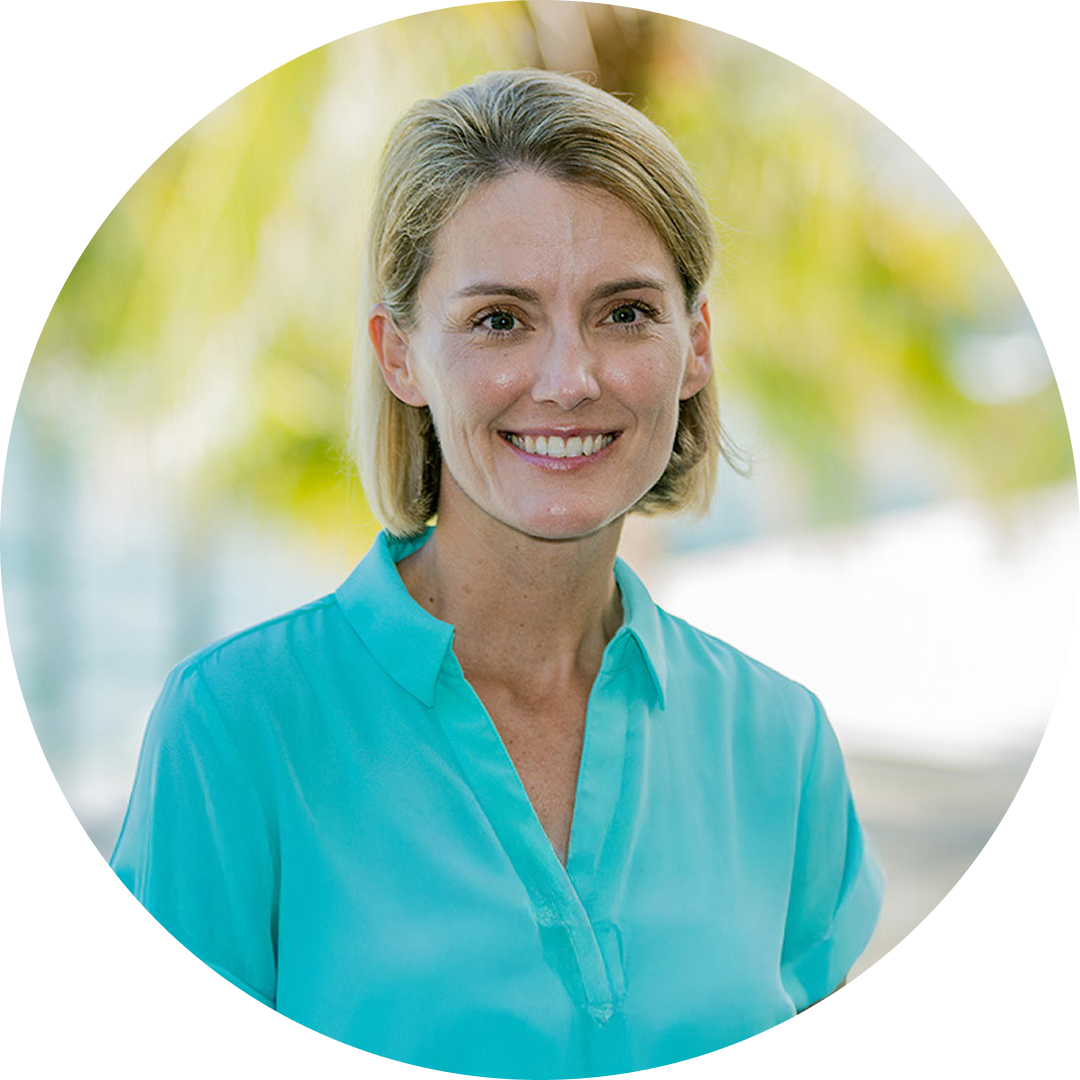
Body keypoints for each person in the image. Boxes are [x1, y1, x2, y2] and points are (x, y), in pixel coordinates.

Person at [110, 68, 884, 1073]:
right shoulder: (233, 732)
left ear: (694, 347)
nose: (569, 381)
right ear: (400, 356)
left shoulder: (781, 743)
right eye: (500, 320)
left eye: (625, 313)